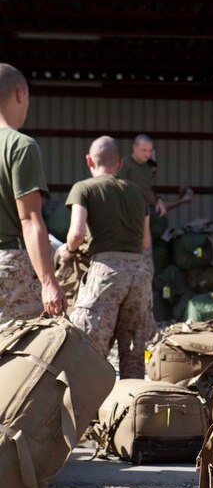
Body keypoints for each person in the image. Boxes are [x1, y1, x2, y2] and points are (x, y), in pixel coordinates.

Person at [60, 136, 150, 378]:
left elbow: (76, 233)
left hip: (106, 271)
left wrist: (68, 251)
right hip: (139, 274)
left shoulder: (84, 188)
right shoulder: (137, 192)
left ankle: (88, 411)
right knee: (133, 350)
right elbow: (145, 242)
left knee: (90, 347)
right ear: (119, 164)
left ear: (89, 160)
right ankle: (131, 409)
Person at [0, 63, 66, 324]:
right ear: (19, 94)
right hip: (10, 266)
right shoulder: (20, 146)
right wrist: (48, 282)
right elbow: (29, 219)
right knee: (22, 353)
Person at [117, 135, 193, 217]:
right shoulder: (125, 166)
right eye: (144, 150)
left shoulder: (145, 172)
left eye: (149, 151)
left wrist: (159, 200)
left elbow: (150, 195)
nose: (147, 154)